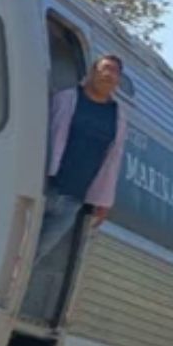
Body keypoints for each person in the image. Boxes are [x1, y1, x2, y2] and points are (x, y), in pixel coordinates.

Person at [34, 54, 129, 263]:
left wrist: (104, 201)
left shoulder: (118, 117)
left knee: (37, 254)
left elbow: (112, 160)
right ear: (92, 72)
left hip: (72, 200)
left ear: (118, 80)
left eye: (114, 71)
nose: (108, 75)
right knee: (16, 243)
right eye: (104, 68)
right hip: (43, 185)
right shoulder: (66, 98)